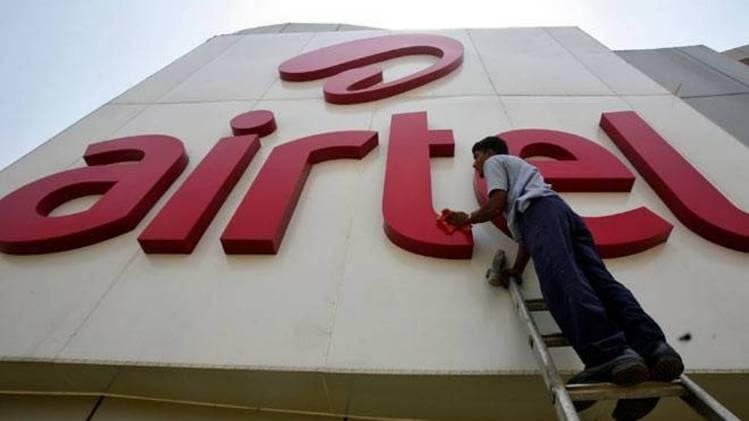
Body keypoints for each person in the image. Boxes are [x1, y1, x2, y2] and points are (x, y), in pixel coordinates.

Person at [446, 136, 684, 420]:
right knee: (601, 283)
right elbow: (528, 239)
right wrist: (517, 270)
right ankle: (653, 349)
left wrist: (466, 219)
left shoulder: (496, 161)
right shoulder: (524, 178)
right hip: (561, 213)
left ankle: (607, 353)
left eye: (476, 156)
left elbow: (495, 204)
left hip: (540, 213)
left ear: (488, 152)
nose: (475, 164)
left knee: (560, 279)